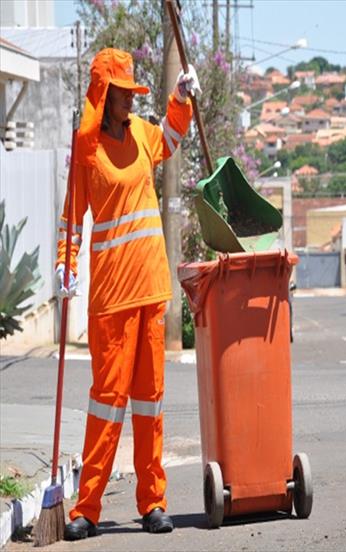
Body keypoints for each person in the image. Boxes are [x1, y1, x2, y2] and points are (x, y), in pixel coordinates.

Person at [55, 48, 199, 539]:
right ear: (104, 93)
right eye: (125, 94)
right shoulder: (87, 147)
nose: (133, 102)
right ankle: (87, 508)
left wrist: (181, 99)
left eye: (136, 93)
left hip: (150, 288)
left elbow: (173, 138)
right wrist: (64, 264)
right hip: (112, 297)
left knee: (150, 402)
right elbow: (73, 215)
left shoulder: (141, 134)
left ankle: (153, 501)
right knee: (106, 403)